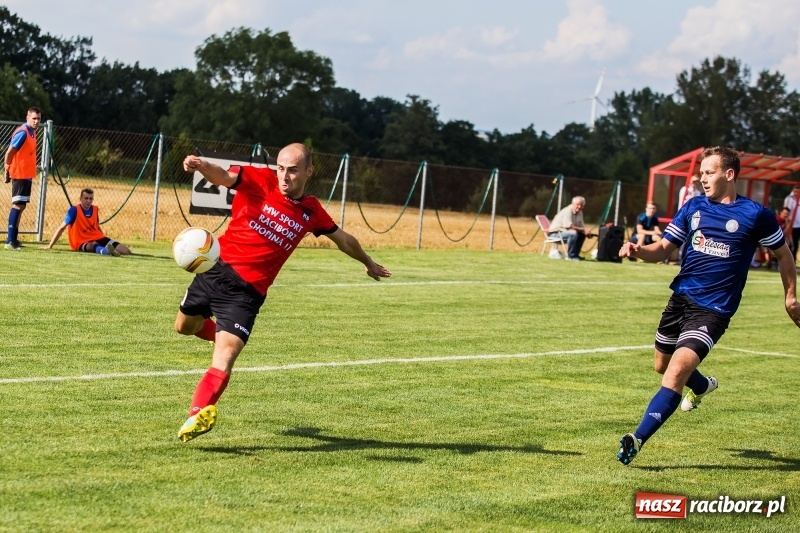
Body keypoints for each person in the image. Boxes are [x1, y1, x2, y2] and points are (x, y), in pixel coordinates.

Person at [175, 143, 391, 442]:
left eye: (292, 170)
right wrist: (200, 165)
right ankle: (228, 335)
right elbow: (222, 176)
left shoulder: (312, 211)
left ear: (308, 171)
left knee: (224, 356)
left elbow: (343, 239)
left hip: (246, 294)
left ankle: (196, 415)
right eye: (280, 168)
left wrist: (367, 261)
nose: (284, 176)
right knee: (184, 328)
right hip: (214, 269)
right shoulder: (258, 180)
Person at [616, 146, 800, 466]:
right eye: (700, 173)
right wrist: (637, 250)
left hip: (713, 310)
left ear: (729, 175)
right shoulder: (692, 207)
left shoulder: (755, 215)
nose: (702, 178)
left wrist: (790, 296)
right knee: (661, 365)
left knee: (674, 371)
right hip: (680, 300)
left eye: (709, 172)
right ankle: (701, 385)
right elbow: (662, 249)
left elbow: (784, 254)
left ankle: (637, 438)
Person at [45, 188, 132, 256]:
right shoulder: (74, 210)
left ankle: (108, 250)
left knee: (126, 251)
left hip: (96, 237)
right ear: (80, 198)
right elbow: (61, 228)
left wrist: (103, 238)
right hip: (80, 241)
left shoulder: (95, 209)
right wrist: (50, 245)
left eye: (91, 198)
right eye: (86, 198)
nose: (88, 201)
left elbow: (96, 226)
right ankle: (106, 252)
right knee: (92, 245)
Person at [4, 107, 41, 250]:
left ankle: (14, 239)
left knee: (22, 206)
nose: (36, 121)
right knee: (17, 205)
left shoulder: (32, 133)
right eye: (34, 118)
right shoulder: (23, 132)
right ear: (27, 118)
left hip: (27, 174)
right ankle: (9, 241)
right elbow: (9, 152)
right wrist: (7, 169)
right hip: (19, 174)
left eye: (38, 119)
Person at [548, 196, 594, 261]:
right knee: (573, 233)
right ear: (573, 204)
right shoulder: (568, 211)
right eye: (577, 204)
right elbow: (568, 226)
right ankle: (571, 256)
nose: (579, 207)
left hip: (565, 233)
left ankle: (575, 255)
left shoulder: (580, 212)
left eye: (581, 205)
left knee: (581, 234)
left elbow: (581, 227)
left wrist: (587, 233)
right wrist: (583, 230)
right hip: (554, 233)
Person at [782, 183, 800, 262]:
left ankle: (794, 260)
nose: (796, 193)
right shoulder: (789, 199)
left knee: (796, 244)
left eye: (798, 192)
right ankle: (791, 261)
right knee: (792, 244)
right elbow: (786, 211)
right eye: (795, 191)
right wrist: (787, 224)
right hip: (792, 225)